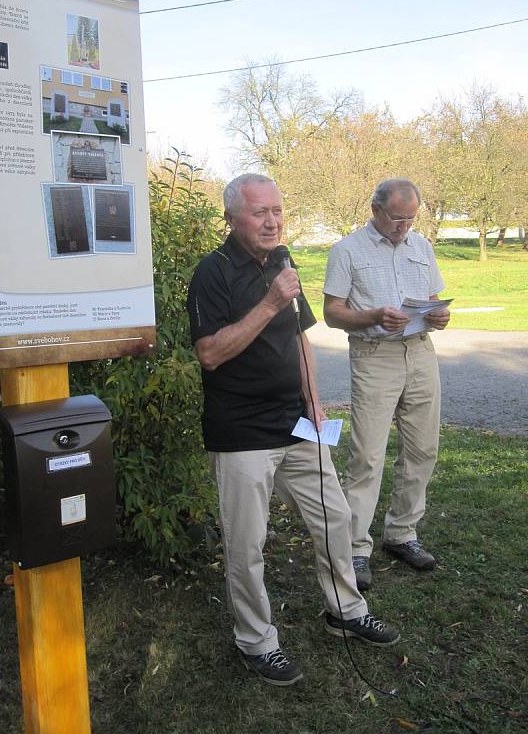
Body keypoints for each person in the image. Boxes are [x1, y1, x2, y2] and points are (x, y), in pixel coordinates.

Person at [187, 174, 400, 687]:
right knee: (247, 544)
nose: (272, 221)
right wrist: (267, 303)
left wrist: (315, 401)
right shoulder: (212, 273)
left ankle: (345, 611)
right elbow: (210, 353)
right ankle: (256, 641)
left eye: (277, 211)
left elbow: (301, 337)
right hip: (241, 432)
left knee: (336, 518)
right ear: (232, 217)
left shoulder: (283, 261)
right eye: (260, 212)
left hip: (298, 425)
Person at [323, 178, 450, 592]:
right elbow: (332, 314)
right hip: (375, 357)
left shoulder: (422, 247)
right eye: (397, 218)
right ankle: (357, 547)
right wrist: (374, 315)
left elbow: (432, 296)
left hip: (420, 352)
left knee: (422, 448)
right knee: (367, 456)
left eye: (410, 219)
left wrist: (438, 315)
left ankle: (402, 534)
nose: (403, 227)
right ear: (375, 209)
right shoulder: (346, 250)